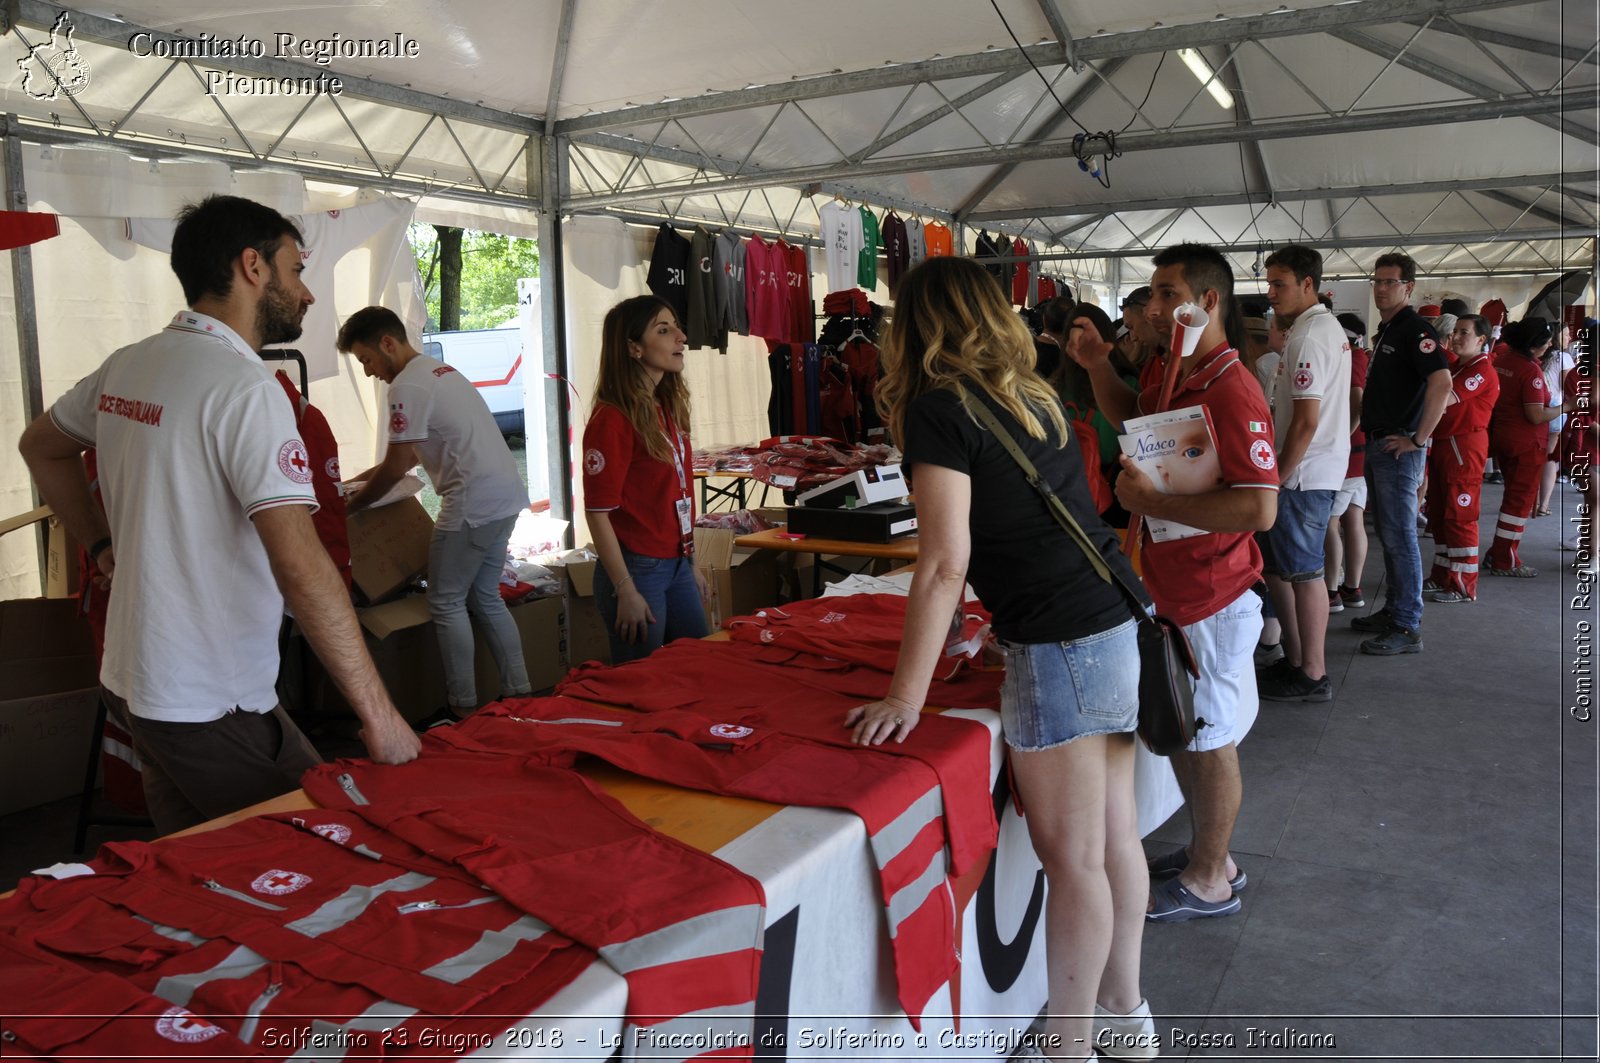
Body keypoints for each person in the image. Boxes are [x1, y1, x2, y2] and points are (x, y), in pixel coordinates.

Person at [17, 195, 419, 834]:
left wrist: (98, 545)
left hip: (138, 681)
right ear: (253, 266)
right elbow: (300, 562)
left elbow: (41, 445)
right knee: (326, 850)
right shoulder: (246, 389)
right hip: (206, 695)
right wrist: (380, 714)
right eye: (297, 269)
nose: (307, 293)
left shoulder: (132, 362)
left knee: (205, 871)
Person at [848, 257, 1156, 1062]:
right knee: (1114, 841)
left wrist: (906, 697)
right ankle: (1124, 1020)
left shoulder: (941, 409)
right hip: (1113, 617)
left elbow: (945, 560)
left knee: (1078, 860)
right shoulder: (1034, 391)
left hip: (1062, 643)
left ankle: (1069, 1046)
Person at [1072, 243, 1278, 924]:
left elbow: (1259, 505)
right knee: (1190, 730)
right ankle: (1207, 854)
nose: (1152, 309)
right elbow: (1135, 414)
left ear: (1207, 301)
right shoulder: (1170, 364)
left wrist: (1154, 506)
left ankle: (1211, 874)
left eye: (1165, 294)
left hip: (1212, 595)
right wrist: (1100, 365)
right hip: (1171, 586)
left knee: (1210, 736)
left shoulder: (1231, 387)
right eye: (1151, 295)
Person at [341, 306, 533, 718]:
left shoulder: (406, 387)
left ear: (388, 343)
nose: (370, 372)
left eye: (367, 360)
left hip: (471, 503)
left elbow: (395, 467)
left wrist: (352, 506)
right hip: (503, 498)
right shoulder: (438, 371)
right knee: (484, 597)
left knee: (445, 601)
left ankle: (461, 708)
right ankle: (519, 693)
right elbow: (407, 456)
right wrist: (353, 483)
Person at [582, 295, 709, 662]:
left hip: (676, 562)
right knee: (642, 683)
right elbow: (598, 512)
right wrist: (625, 589)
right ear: (634, 347)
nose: (681, 338)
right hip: (638, 569)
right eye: (664, 330)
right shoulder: (613, 419)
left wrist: (692, 564)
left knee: (699, 665)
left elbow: (676, 495)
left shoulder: (665, 406)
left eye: (677, 327)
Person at [1257, 245, 1351, 703]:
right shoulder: (1317, 330)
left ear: (1307, 284)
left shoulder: (1309, 337)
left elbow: (1307, 420)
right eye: (1269, 282)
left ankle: (1312, 672)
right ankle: (1297, 663)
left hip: (1302, 475)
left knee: (1304, 574)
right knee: (1285, 572)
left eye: (1280, 284)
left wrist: (1277, 475)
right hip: (1308, 471)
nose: (1270, 292)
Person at [1351, 252, 1451, 655]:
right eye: (1376, 281)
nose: (1380, 288)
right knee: (1391, 537)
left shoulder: (1413, 329)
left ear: (1407, 287)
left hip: (1397, 448)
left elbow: (1442, 384)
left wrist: (1419, 439)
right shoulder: (1390, 330)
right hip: (1379, 444)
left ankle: (1408, 623)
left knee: (1399, 537)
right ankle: (1395, 609)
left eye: (1389, 282)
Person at [1485, 317, 1572, 577]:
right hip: (1526, 444)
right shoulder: (1530, 371)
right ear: (1535, 345)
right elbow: (1535, 415)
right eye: (1546, 342)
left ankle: (1498, 552)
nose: (1549, 346)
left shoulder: (1502, 362)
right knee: (1518, 503)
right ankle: (1505, 559)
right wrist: (1567, 407)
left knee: (1512, 499)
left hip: (1504, 438)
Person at [1426, 315, 1499, 601]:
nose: (1455, 337)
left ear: (1481, 339)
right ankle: (1443, 575)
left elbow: (1443, 398)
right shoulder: (1458, 365)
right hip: (1446, 444)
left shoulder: (1480, 371)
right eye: (1455, 331)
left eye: (1464, 332)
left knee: (1460, 514)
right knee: (1440, 512)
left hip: (1463, 447)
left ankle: (1463, 584)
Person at [1325, 312, 1370, 614]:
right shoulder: (1360, 356)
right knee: (1353, 518)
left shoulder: (1352, 358)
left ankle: (1331, 590)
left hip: (1347, 452)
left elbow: (1357, 401)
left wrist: (1341, 438)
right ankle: (1351, 587)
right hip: (1358, 451)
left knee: (1331, 522)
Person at [1535, 324, 1577, 517]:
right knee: (1550, 458)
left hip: (1538, 404)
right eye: (1566, 334)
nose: (1569, 338)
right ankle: (1542, 505)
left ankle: (1530, 502)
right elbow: (1567, 386)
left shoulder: (1542, 356)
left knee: (1535, 455)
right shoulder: (1564, 358)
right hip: (1556, 407)